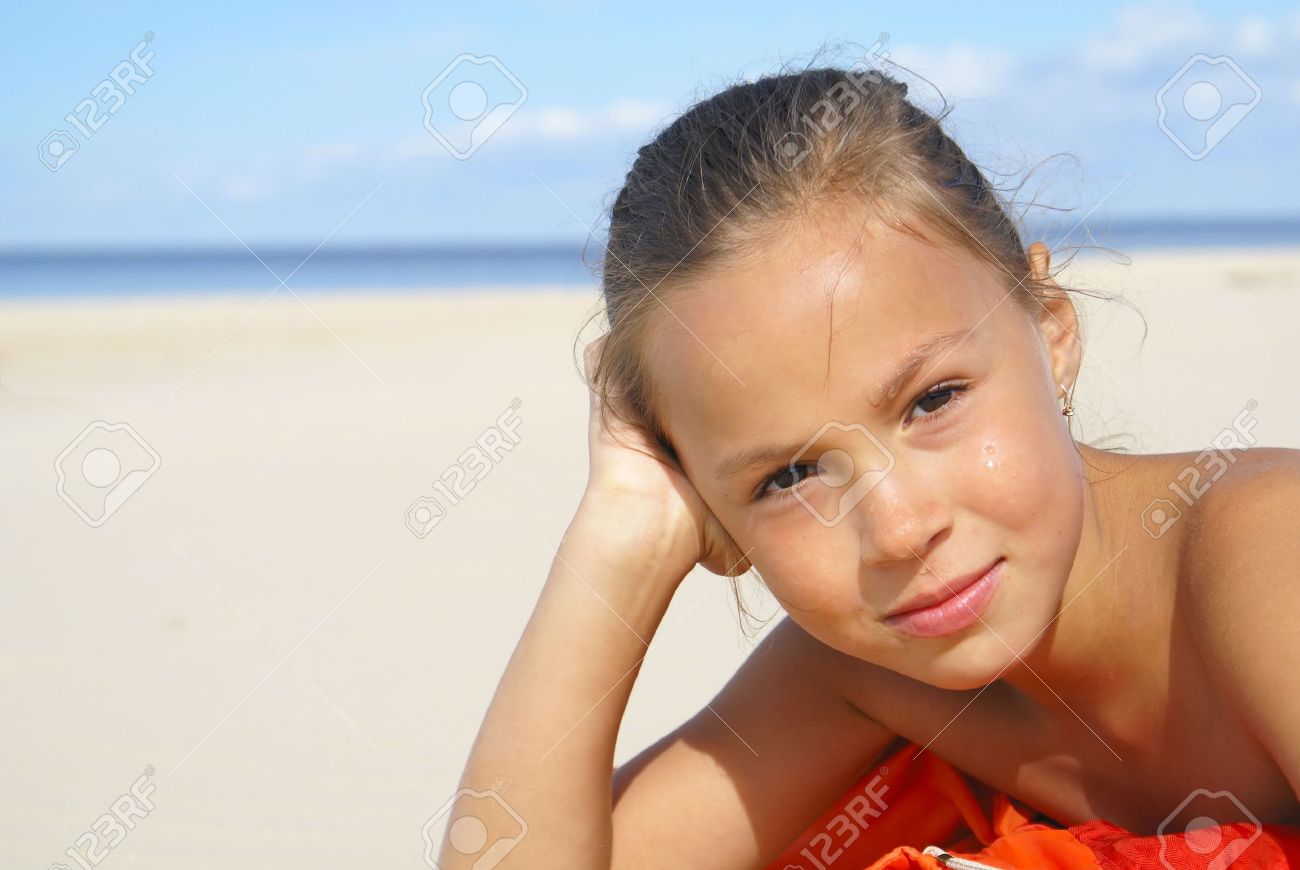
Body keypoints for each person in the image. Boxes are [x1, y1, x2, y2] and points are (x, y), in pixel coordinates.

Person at [436, 64, 1300, 869]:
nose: (897, 530)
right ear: (714, 515)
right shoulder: (860, 673)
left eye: (933, 401)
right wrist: (617, 545)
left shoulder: (1266, 555)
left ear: (1051, 330)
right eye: (788, 478)